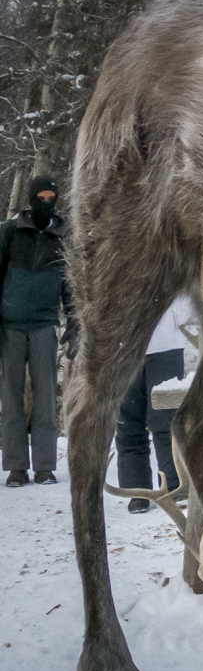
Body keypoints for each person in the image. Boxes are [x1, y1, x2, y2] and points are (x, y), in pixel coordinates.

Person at [0, 175, 76, 486]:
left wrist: (74, 323)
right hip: (10, 324)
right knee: (11, 396)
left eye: (51, 198)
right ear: (31, 199)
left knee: (46, 397)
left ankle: (45, 466)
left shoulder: (63, 237)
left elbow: (71, 287)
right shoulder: (10, 232)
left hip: (46, 324)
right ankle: (17, 466)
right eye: (40, 197)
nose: (46, 202)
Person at [117, 295, 194, 512]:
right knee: (129, 423)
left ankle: (175, 486)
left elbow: (186, 302)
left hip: (165, 350)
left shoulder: (164, 263)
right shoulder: (112, 267)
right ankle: (137, 492)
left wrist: (168, 314)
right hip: (122, 351)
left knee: (166, 423)